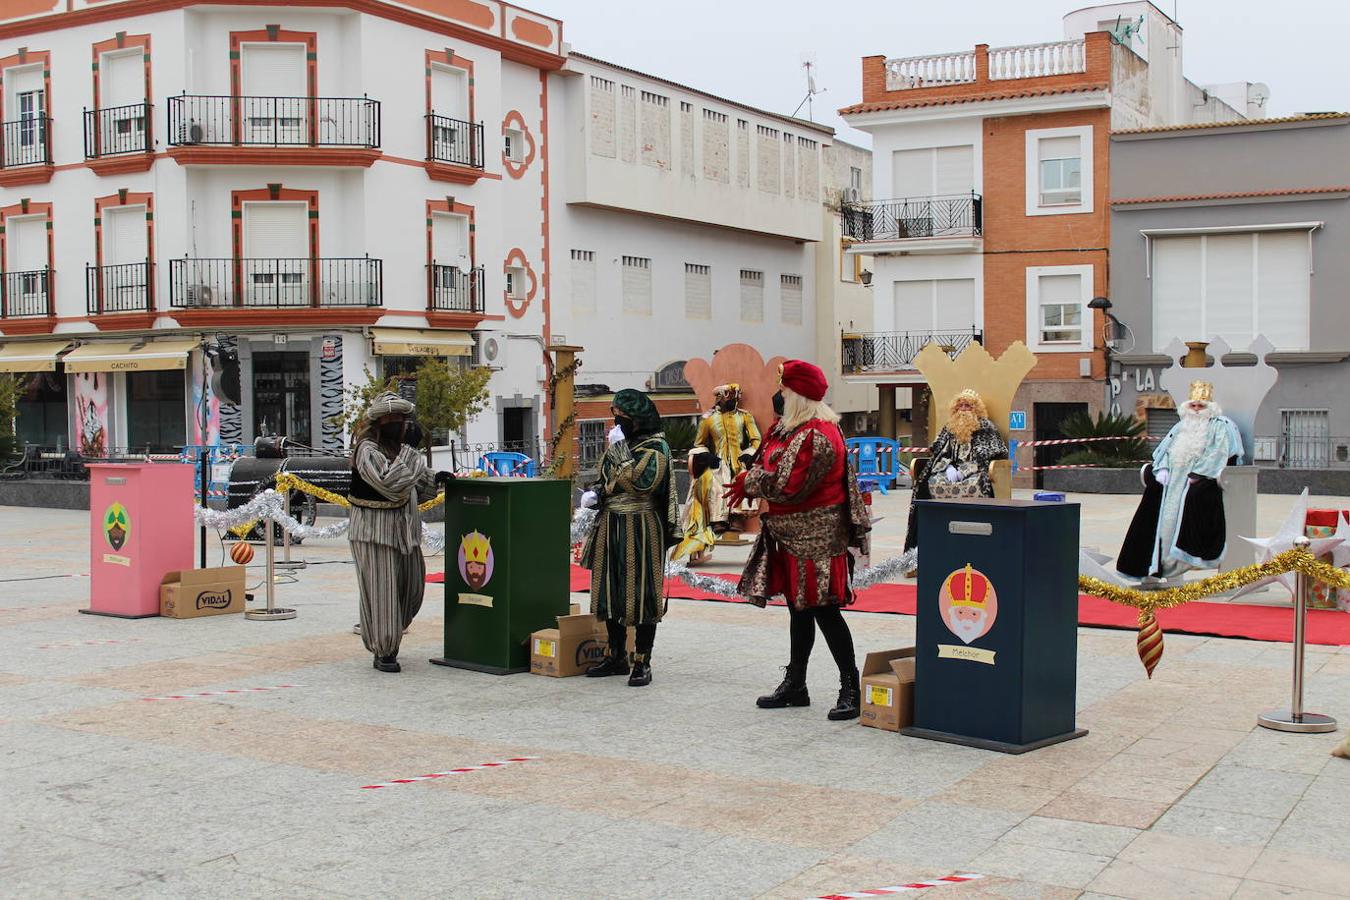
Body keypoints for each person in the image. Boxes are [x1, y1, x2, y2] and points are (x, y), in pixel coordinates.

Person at [728, 360, 871, 720]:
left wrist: (751, 481)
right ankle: (796, 684)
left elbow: (788, 484)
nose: (780, 396)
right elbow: (766, 464)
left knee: (824, 610)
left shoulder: (817, 434)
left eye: (786, 390)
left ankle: (851, 686)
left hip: (818, 537)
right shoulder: (789, 429)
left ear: (799, 395)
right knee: (798, 609)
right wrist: (753, 474)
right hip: (789, 534)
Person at [580, 388, 680, 687]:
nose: (617, 423)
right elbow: (605, 479)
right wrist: (594, 494)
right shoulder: (617, 445)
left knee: (641, 592)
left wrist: (621, 450)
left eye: (622, 417)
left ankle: (642, 662)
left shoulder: (656, 447)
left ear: (637, 419)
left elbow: (641, 483)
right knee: (609, 590)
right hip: (611, 523)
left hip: (642, 526)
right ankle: (616, 656)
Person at [347, 392, 451, 673]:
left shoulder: (396, 448)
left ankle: (389, 634)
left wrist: (434, 478)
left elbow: (412, 477)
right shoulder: (366, 449)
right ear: (379, 421)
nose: (400, 424)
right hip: (373, 533)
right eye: (393, 419)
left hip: (405, 532)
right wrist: (410, 450)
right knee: (383, 593)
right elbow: (391, 483)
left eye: (403, 418)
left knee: (412, 590)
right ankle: (384, 650)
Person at [1117, 381, 1242, 583]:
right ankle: (1157, 566)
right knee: (1162, 523)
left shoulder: (1220, 426)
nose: (1196, 410)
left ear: (1209, 407)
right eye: (1193, 405)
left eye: (1200, 406)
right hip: (1173, 483)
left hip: (1196, 481)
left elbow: (1218, 453)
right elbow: (1165, 449)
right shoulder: (1180, 427)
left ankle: (1179, 563)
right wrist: (1163, 469)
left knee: (1187, 514)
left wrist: (1199, 474)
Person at [903, 388, 1009, 554]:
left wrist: (964, 471)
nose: (963, 409)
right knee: (930, 482)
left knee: (976, 485)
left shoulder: (986, 428)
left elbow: (993, 453)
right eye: (960, 406)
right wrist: (948, 467)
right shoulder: (949, 428)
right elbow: (938, 451)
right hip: (949, 471)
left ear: (976, 409)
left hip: (975, 471)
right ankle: (927, 545)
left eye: (968, 406)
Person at [674, 383, 762, 563]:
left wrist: (748, 455)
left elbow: (756, 440)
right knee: (707, 488)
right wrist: (706, 456)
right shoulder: (708, 419)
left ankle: (736, 519)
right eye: (729, 396)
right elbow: (699, 443)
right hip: (717, 464)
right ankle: (715, 524)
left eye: (735, 396)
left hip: (739, 463)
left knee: (740, 482)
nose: (733, 400)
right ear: (720, 398)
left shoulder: (745, 417)